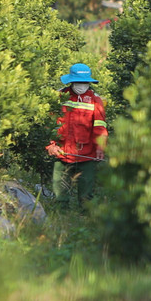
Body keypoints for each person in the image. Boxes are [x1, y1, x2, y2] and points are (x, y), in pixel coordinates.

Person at [46, 63, 107, 205]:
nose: (81, 85)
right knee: (60, 192)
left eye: (84, 82)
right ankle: (60, 217)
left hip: (87, 154)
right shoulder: (59, 96)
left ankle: (86, 220)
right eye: (78, 82)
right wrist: (51, 145)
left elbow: (100, 127)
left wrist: (100, 148)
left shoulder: (95, 100)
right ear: (71, 81)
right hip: (61, 151)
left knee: (86, 196)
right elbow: (50, 123)